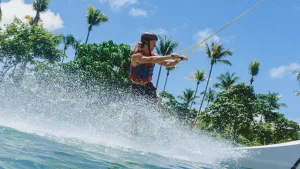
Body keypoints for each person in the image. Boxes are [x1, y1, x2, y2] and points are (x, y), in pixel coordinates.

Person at [129, 32, 187, 103]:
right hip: (136, 88)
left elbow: (168, 63)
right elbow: (151, 59)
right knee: (137, 110)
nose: (155, 46)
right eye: (153, 43)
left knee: (154, 104)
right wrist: (170, 56)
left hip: (148, 86)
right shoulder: (136, 56)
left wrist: (179, 60)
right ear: (146, 42)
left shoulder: (153, 55)